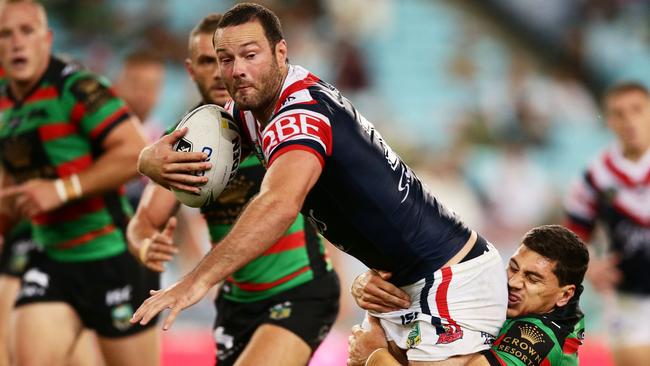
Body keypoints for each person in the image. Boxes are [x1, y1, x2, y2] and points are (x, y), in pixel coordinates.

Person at [132, 3, 507, 365]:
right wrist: (147, 159)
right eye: (226, 60)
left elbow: (278, 204)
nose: (237, 70)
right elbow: (189, 145)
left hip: (450, 278)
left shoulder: (300, 115)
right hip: (400, 285)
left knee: (369, 358)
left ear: (281, 53)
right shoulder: (254, 110)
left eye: (250, 55)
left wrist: (195, 281)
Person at [126, 13, 340, 366]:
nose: (222, 70)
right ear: (191, 70)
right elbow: (145, 222)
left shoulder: (282, 121)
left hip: (299, 290)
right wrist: (145, 246)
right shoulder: (184, 139)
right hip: (235, 301)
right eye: (211, 60)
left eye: (234, 59)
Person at [0, 1, 160, 365]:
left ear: (47, 39)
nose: (16, 43)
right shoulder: (5, 100)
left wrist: (61, 190)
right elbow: (11, 172)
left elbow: (136, 152)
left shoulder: (76, 87)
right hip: (51, 258)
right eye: (5, 34)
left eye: (27, 32)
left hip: (110, 257)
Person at [348, 225, 589, 366]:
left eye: (532, 279)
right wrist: (364, 284)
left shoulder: (540, 338)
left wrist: (373, 355)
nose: (513, 282)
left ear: (564, 295)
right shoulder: (497, 293)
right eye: (514, 267)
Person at [565, 81, 650, 366]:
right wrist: (589, 266)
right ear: (609, 121)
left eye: (637, 110)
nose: (629, 121)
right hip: (628, 296)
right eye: (619, 113)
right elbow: (574, 234)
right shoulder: (596, 175)